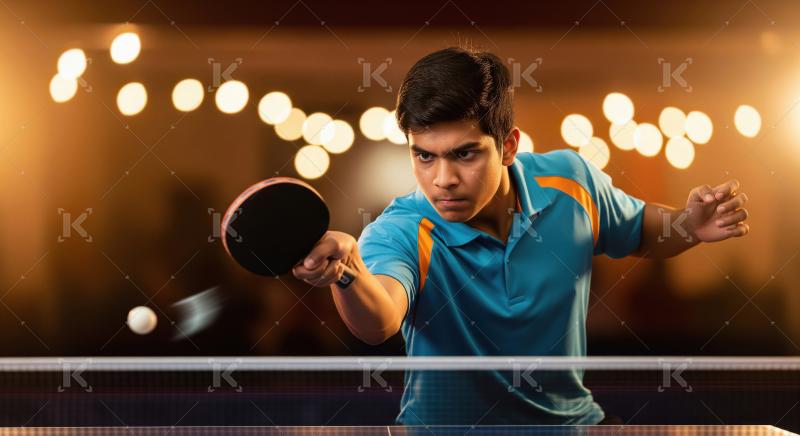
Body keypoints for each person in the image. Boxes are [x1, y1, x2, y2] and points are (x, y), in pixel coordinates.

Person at [291, 46, 750, 425]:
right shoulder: (399, 230)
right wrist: (349, 272)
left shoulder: (572, 181)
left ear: (508, 145)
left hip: (568, 429)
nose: (442, 179)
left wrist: (688, 226)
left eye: (464, 154)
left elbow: (641, 232)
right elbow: (380, 322)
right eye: (424, 157)